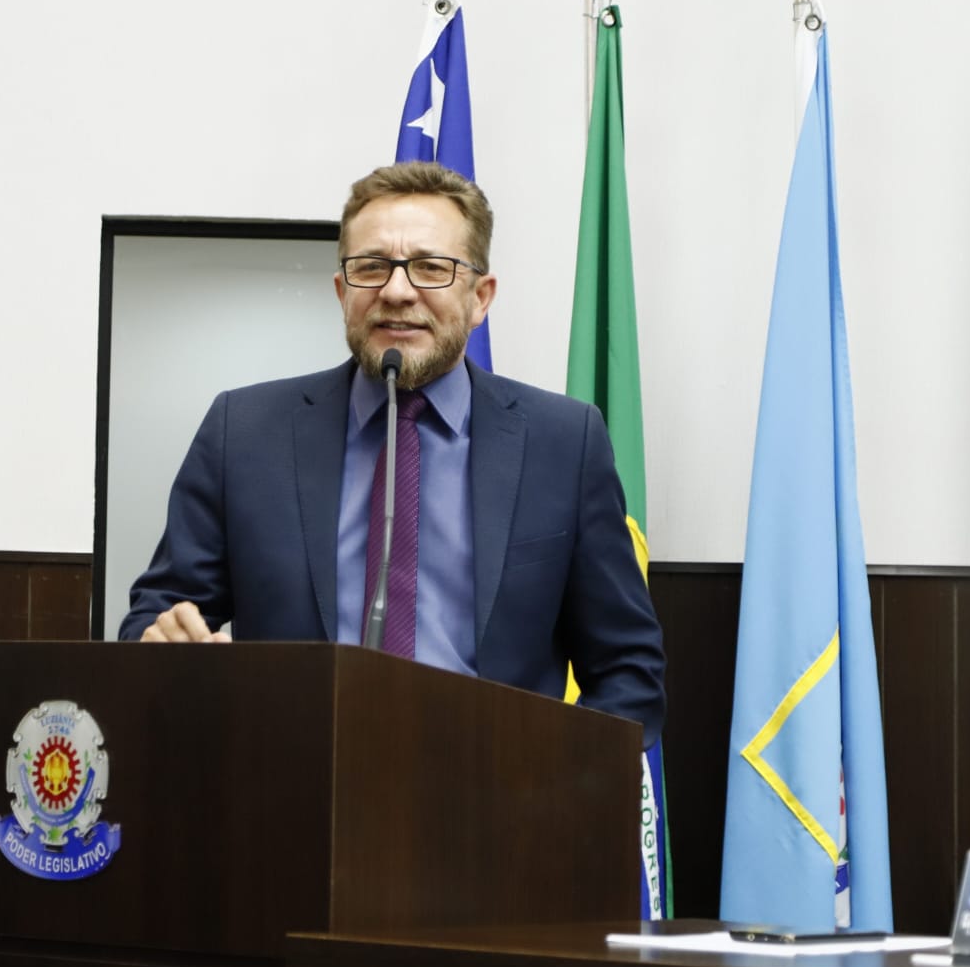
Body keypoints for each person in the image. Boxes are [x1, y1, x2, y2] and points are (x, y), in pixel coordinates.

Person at [120, 160, 666, 746]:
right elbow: (156, 618)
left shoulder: (563, 442)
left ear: (480, 298)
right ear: (342, 292)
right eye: (371, 267)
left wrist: (548, 780)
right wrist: (164, 641)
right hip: (292, 784)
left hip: (496, 791)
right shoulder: (246, 432)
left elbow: (628, 672)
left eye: (431, 267)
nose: (397, 291)